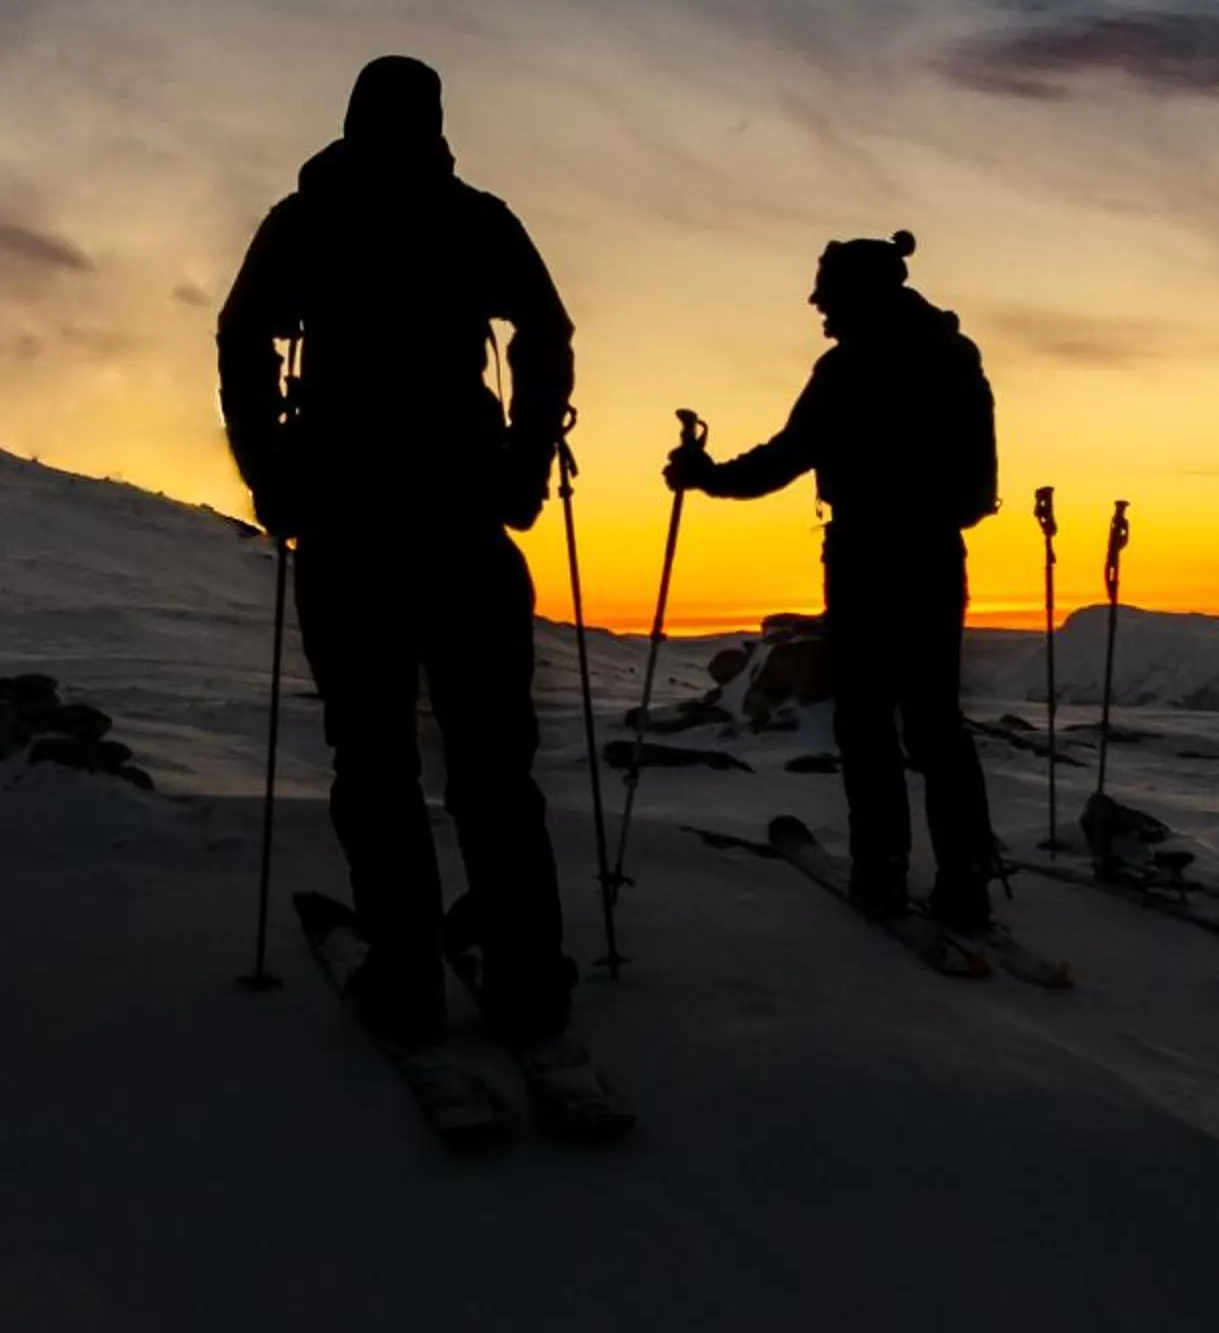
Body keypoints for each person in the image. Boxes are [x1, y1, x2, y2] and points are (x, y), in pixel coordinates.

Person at [217, 55, 577, 1047]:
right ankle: (528, 974)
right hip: (462, 510)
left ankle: (408, 975)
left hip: (347, 514)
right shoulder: (474, 215)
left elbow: (241, 335)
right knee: (494, 760)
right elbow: (547, 329)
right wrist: (525, 462)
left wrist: (269, 473)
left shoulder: (307, 218)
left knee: (373, 756)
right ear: (436, 122)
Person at [663, 231, 1002, 930]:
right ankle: (964, 884)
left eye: (829, 299)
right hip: (936, 560)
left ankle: (881, 873)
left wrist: (706, 476)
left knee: (867, 721)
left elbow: (781, 461)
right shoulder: (955, 359)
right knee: (935, 725)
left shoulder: (845, 371)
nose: (820, 312)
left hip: (864, 561)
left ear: (856, 296)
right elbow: (978, 487)